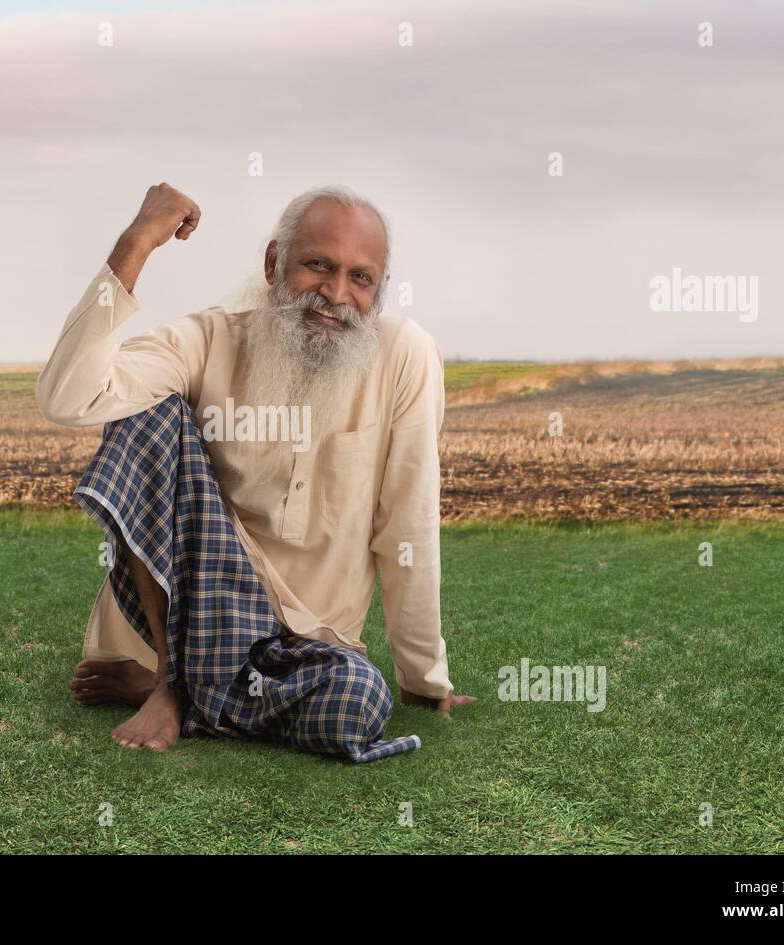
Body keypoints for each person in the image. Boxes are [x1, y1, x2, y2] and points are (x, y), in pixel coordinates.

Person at [36, 182, 474, 762]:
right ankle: (169, 681)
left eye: (359, 278)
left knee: (361, 701)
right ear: (274, 263)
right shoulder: (209, 338)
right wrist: (137, 243)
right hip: (189, 614)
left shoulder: (404, 356)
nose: (335, 294)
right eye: (316, 265)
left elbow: (408, 525)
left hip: (304, 644)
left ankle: (186, 696)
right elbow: (70, 398)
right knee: (144, 410)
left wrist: (423, 681)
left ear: (380, 290)